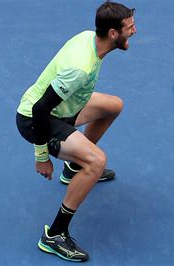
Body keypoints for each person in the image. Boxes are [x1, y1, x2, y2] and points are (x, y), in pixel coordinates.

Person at [16, 1, 136, 261]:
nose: (134, 31)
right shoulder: (79, 69)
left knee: (113, 105)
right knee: (97, 161)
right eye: (130, 27)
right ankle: (55, 235)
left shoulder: (90, 37)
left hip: (64, 109)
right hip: (38, 120)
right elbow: (39, 110)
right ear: (113, 33)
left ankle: (73, 167)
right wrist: (41, 156)